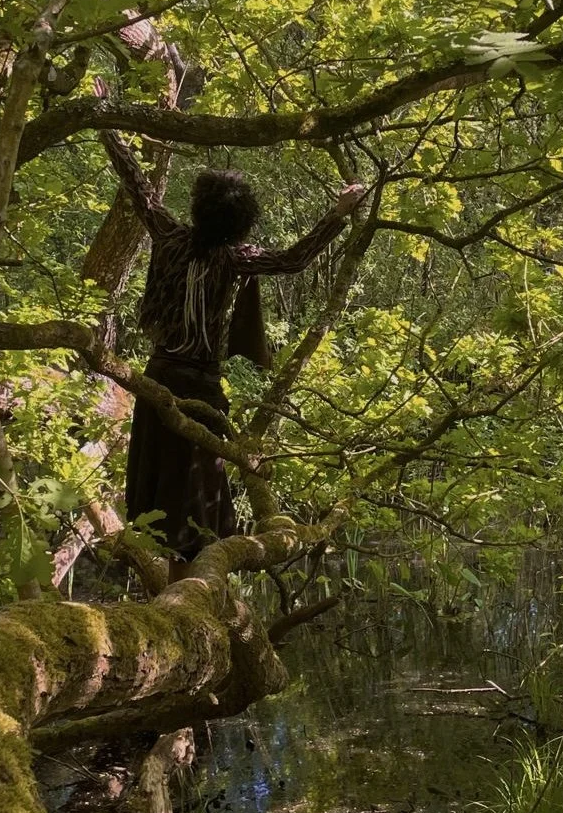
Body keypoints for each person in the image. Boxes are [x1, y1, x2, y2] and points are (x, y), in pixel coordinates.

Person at [100, 127, 366, 572]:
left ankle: (177, 582)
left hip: (159, 374)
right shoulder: (236, 257)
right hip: (199, 381)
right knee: (198, 485)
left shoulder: (169, 236)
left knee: (162, 478)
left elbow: (140, 190)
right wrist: (337, 214)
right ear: (240, 219)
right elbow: (293, 259)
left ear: (200, 207)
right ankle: (192, 583)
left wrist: (111, 133)